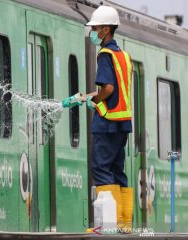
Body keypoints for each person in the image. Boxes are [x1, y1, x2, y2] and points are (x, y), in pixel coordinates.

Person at [62, 6, 134, 233]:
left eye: (95, 28)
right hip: (122, 123)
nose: (92, 32)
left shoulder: (104, 55)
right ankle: (124, 224)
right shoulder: (123, 56)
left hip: (107, 123)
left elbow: (108, 88)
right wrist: (84, 97)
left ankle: (106, 225)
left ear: (105, 29)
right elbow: (116, 89)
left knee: (101, 169)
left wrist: (97, 101)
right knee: (117, 170)